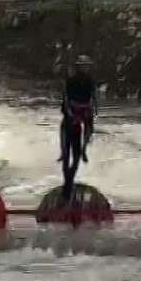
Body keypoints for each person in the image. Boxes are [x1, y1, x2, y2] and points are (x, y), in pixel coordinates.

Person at [59, 55, 98, 198]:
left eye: (86, 65)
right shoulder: (71, 80)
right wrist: (70, 112)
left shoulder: (90, 80)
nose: (85, 68)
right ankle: (67, 179)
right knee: (66, 155)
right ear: (78, 67)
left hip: (84, 108)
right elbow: (66, 98)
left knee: (89, 129)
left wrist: (93, 108)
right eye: (82, 65)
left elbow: (93, 96)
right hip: (72, 112)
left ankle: (84, 149)